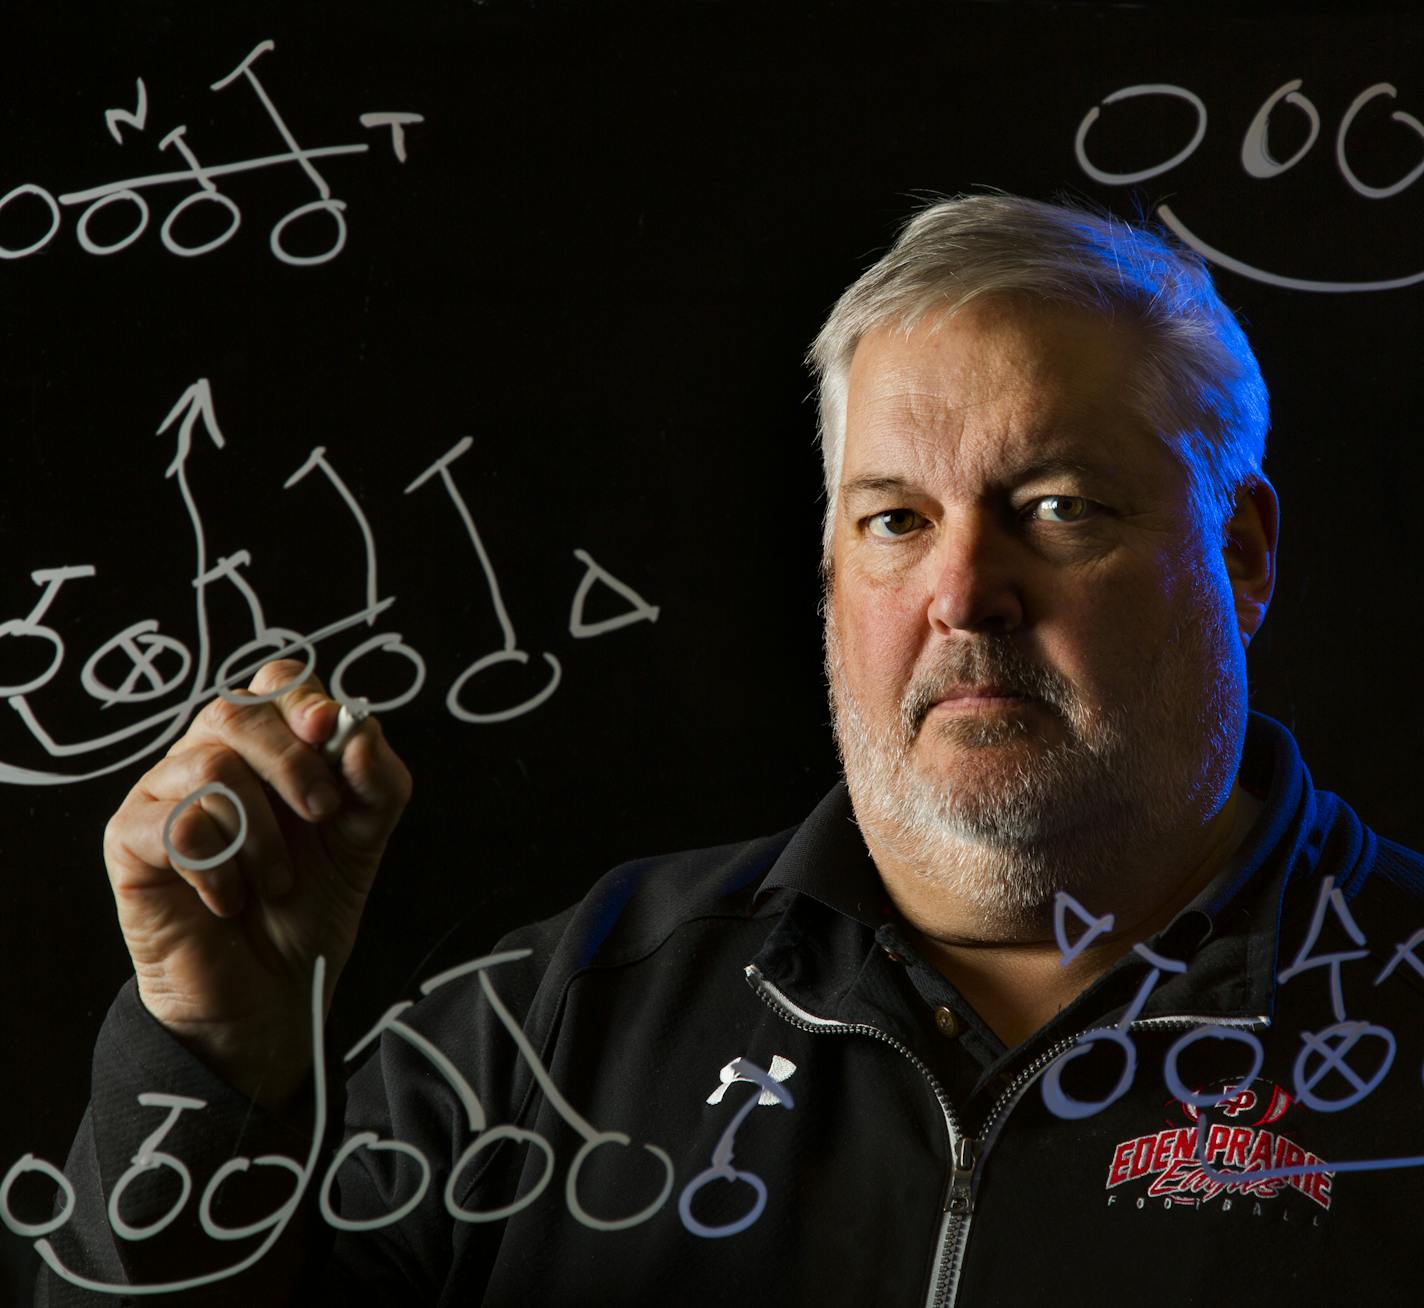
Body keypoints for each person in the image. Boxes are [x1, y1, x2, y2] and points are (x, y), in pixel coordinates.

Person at [38, 195, 1424, 1306]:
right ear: (829, 567)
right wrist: (208, 1073)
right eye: (893, 518)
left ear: (1240, 556)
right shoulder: (552, 1027)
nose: (963, 592)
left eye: (1056, 508)